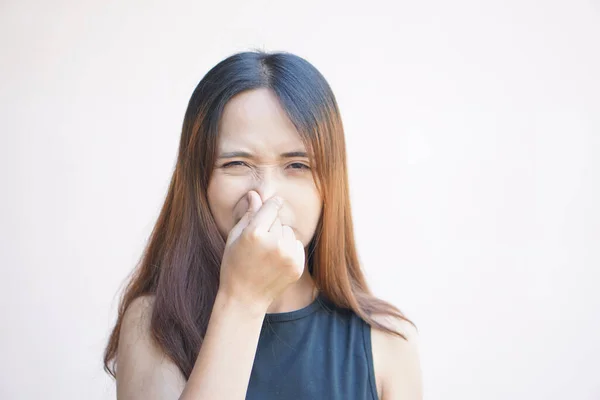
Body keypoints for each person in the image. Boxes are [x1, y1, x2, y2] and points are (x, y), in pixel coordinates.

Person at [103, 50, 422, 400]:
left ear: (330, 185)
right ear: (199, 182)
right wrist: (243, 299)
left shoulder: (387, 343)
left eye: (298, 165)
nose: (267, 195)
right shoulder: (154, 325)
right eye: (237, 163)